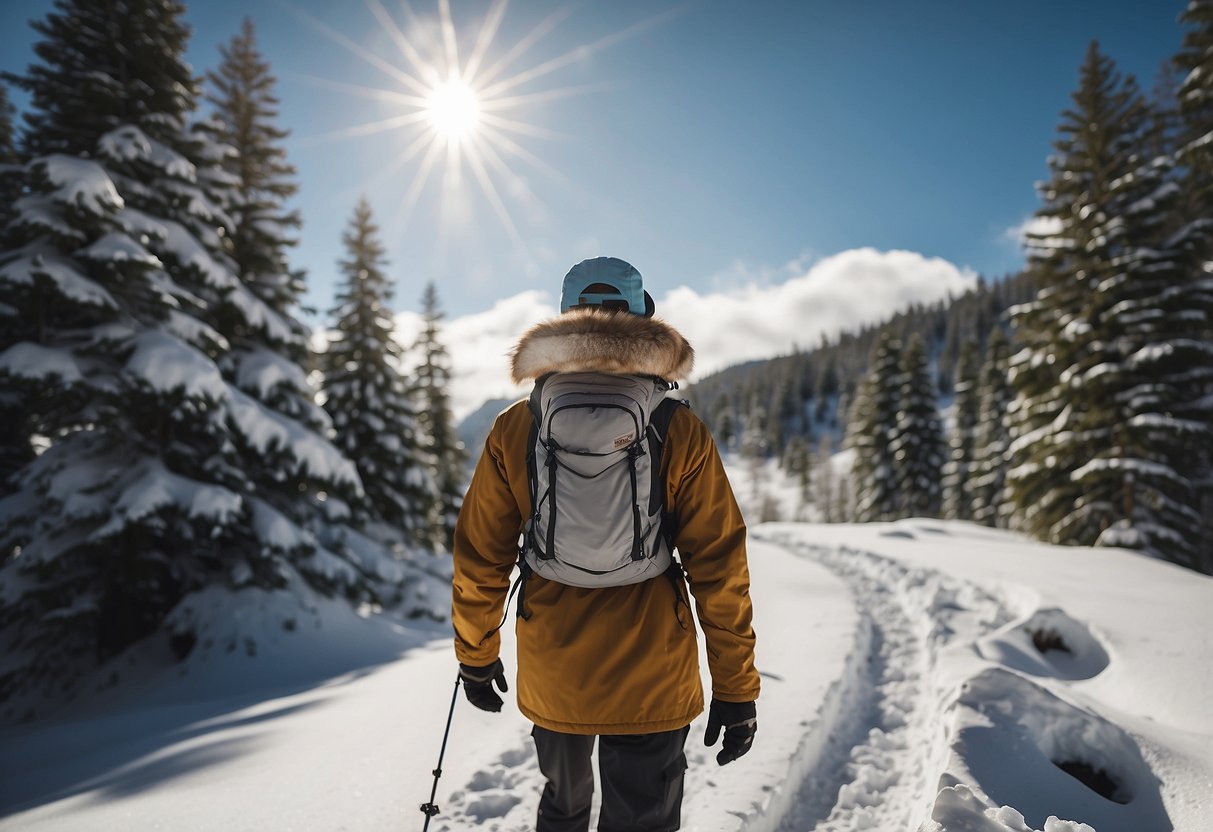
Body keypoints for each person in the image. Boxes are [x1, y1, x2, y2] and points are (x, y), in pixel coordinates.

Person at [451, 256, 759, 832]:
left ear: (566, 322)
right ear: (645, 316)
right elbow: (720, 569)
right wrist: (736, 686)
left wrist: (476, 654)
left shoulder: (517, 425)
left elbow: (479, 559)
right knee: (643, 818)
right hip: (654, 667)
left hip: (554, 658)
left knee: (563, 808)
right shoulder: (677, 428)